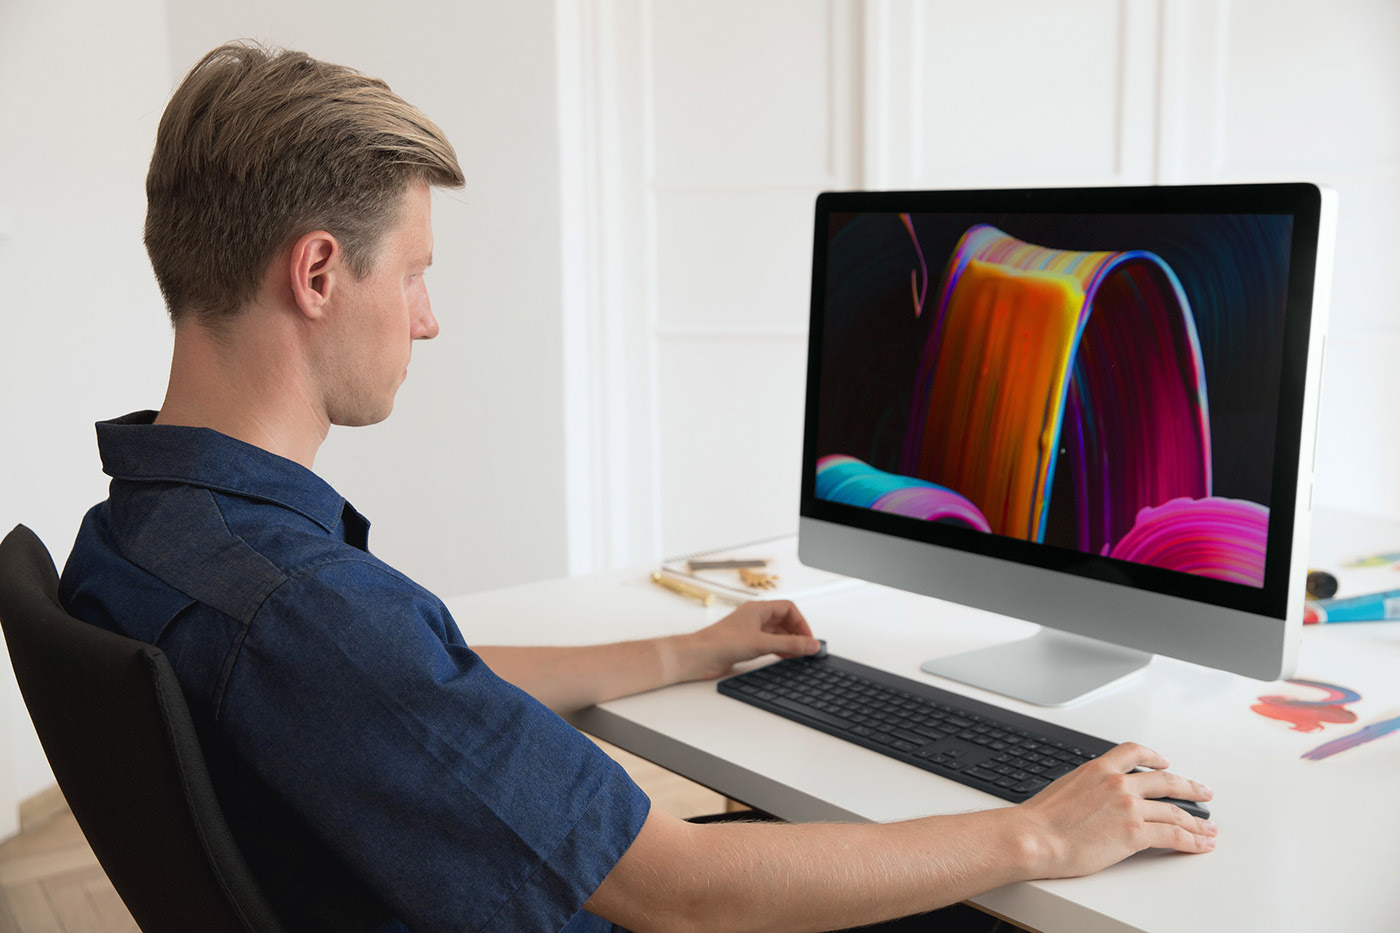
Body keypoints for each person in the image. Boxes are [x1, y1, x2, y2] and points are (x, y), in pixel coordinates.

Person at [58, 42, 1216, 933]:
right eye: (412, 272)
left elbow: (416, 689)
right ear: (317, 272)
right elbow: (682, 889)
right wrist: (1033, 836)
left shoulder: (142, 534)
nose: (427, 315)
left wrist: (681, 652)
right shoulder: (308, 611)